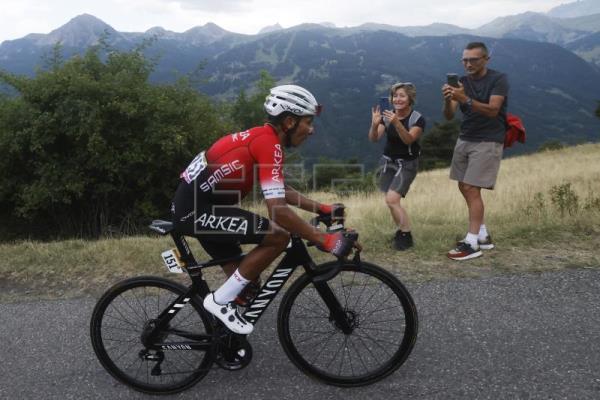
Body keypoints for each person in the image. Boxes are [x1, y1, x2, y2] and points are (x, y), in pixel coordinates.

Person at [171, 84, 358, 334]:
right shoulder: (268, 144)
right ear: (290, 121)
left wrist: (322, 208)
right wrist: (324, 239)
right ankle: (218, 303)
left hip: (200, 208)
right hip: (196, 212)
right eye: (308, 122)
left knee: (247, 283)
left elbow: (280, 190)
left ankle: (221, 338)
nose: (311, 130)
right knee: (278, 236)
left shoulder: (264, 138)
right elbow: (278, 211)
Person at [441, 42, 509, 261]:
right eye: (464, 60)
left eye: (473, 60)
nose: (468, 64)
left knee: (471, 187)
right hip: (465, 137)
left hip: (488, 139)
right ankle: (482, 234)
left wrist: (464, 99)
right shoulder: (461, 82)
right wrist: (449, 100)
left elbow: (493, 110)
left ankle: (471, 243)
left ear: (486, 59)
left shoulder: (498, 79)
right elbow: (449, 116)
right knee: (463, 184)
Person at [368, 82, 426, 250]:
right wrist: (375, 123)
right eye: (395, 96)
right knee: (390, 201)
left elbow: (409, 139)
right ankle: (400, 232)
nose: (397, 99)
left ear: (410, 99)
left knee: (392, 200)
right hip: (387, 162)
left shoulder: (417, 119)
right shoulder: (387, 115)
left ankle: (406, 236)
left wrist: (396, 123)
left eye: (402, 96)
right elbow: (374, 138)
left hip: (406, 164)